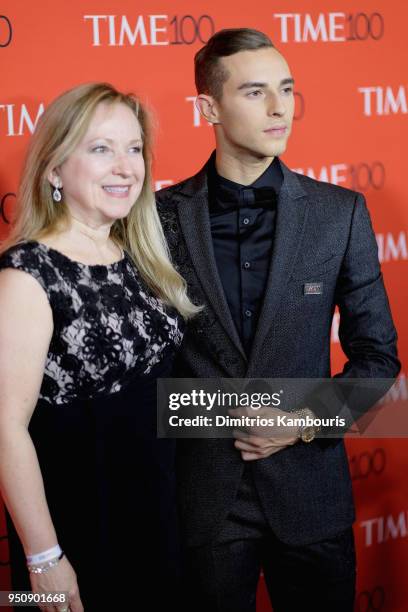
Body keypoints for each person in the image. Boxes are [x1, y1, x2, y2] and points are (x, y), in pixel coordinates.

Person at [156, 28, 400, 612]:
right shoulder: (155, 218)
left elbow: (378, 359)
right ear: (208, 108)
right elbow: (141, 370)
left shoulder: (340, 213)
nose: (279, 107)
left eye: (287, 89)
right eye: (256, 91)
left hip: (311, 495)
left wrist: (296, 421)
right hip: (202, 501)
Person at [0, 82, 198, 611]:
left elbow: (156, 396)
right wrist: (44, 561)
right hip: (81, 540)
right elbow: (5, 428)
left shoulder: (137, 252)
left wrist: (284, 409)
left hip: (154, 522)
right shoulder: (27, 275)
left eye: (134, 149)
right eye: (101, 148)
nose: (126, 166)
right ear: (54, 169)